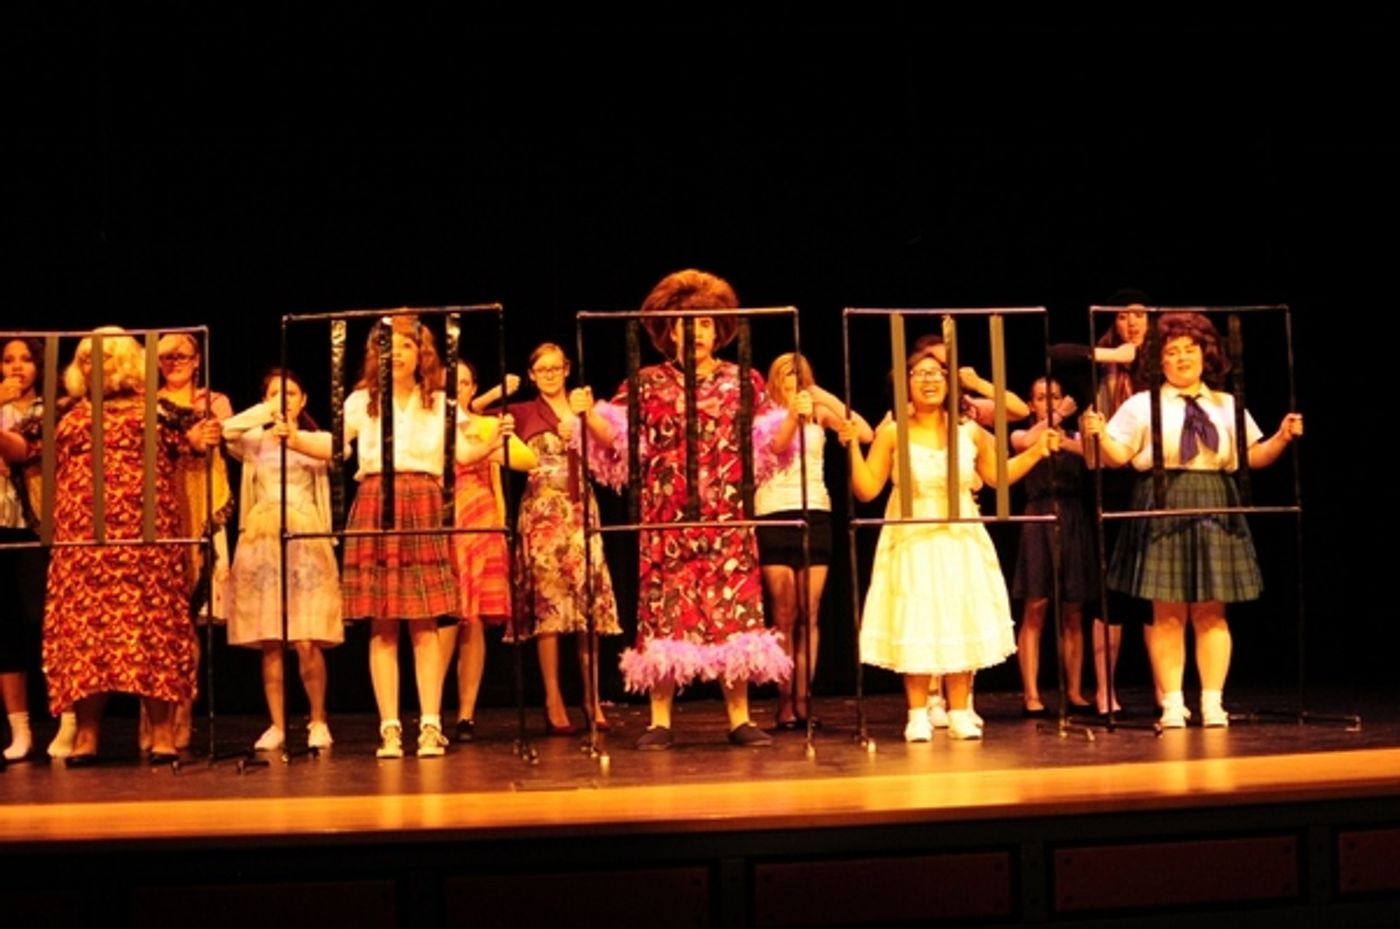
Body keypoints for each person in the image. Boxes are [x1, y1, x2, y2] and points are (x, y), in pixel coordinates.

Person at [577, 269, 798, 750]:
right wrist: (586, 414)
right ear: (669, 330)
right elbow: (615, 442)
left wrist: (795, 416)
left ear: (718, 329)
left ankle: (739, 717)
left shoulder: (743, 381)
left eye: (704, 323)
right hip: (666, 521)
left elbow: (772, 448)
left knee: (733, 614)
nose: (694, 331)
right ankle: (660, 720)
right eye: (684, 322)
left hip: (727, 520)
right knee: (664, 614)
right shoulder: (647, 382)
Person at [1081, 312, 1301, 728]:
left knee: (1211, 613)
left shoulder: (1226, 404)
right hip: (1162, 499)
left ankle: (1213, 702)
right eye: (1171, 352)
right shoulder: (1142, 405)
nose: (1182, 358)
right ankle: (1172, 703)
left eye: (1190, 350)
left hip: (1216, 498)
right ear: (1158, 362)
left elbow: (1252, 458)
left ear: (1205, 355)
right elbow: (1117, 458)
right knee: (1167, 614)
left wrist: (1281, 438)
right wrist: (1099, 434)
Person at [845, 345, 1060, 741]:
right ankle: (917, 713)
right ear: (906, 385)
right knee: (918, 616)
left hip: (960, 534)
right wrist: (851, 448)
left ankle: (960, 710)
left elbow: (997, 476)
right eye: (920, 374)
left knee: (960, 613)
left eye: (937, 374)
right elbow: (866, 489)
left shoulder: (970, 430)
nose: (929, 380)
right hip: (912, 535)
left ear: (949, 383)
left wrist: (1037, 451)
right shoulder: (894, 432)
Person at [43, 328, 205, 764]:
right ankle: (86, 736)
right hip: (84, 543)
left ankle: (163, 733)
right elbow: (28, 448)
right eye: (86, 359)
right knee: (85, 638)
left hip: (144, 541)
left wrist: (198, 439)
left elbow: (193, 441)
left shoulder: (159, 410)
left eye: (104, 357)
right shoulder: (66, 412)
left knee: (152, 631)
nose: (94, 365)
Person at [341, 315, 459, 758]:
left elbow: (462, 449)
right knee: (382, 622)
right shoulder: (361, 402)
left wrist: (493, 438)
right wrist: (291, 436)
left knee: (424, 622)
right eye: (387, 347)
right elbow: (336, 446)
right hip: (376, 498)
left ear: (419, 353)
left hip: (422, 499)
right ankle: (389, 728)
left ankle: (430, 725)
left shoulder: (440, 403)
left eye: (406, 346)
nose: (398, 354)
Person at [223, 369, 343, 753]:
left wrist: (294, 436)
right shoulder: (255, 441)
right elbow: (226, 430)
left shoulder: (315, 438)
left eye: (290, 393)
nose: (283, 399)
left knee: (306, 637)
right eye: (275, 393)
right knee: (271, 639)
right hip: (263, 535)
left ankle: (318, 719)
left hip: (305, 531)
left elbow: (336, 449)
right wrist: (264, 412)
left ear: (303, 399)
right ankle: (276, 723)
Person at [755, 352, 871, 729]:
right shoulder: (762, 413)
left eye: (799, 374)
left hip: (816, 511)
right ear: (774, 379)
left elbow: (864, 432)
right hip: (774, 512)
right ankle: (783, 699)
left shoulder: (818, 411)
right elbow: (774, 447)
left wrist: (819, 393)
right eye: (786, 374)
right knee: (783, 612)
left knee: (811, 611)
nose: (792, 379)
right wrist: (793, 413)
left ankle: (804, 698)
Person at [511, 343, 621, 735]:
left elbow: (612, 444)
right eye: (542, 369)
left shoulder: (583, 405)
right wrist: (497, 395)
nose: (550, 374)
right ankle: (553, 697)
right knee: (550, 607)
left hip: (579, 511)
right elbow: (471, 421)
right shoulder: (522, 412)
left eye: (556, 367)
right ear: (531, 375)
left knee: (586, 605)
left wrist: (584, 418)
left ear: (567, 369)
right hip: (542, 513)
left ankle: (592, 697)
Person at [436, 360, 536, 742]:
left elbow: (528, 459)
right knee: (446, 620)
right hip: (444, 523)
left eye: (463, 382)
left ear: (471, 386)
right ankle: (434, 710)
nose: (456, 388)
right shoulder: (435, 425)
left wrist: (492, 448)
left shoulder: (484, 425)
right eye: (450, 383)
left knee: (473, 621)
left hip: (480, 522)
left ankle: (465, 714)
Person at [154, 331, 234, 749]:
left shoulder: (212, 401)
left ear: (197, 358)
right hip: (158, 511)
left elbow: (219, 436)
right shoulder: (145, 404)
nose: (174, 361)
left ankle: (183, 706)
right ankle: (154, 715)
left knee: (187, 620)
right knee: (154, 620)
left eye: (181, 354)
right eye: (165, 355)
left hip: (197, 510)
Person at [1010, 377, 1096, 716]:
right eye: (1042, 398)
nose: (1049, 402)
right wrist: (1058, 416)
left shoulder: (1075, 436)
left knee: (1074, 609)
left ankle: (1075, 691)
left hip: (1073, 516)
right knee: (1036, 606)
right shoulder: (1023, 434)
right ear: (1031, 404)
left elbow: (1096, 458)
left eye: (1056, 396)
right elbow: (1026, 443)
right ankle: (1031, 694)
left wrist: (1067, 437)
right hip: (1038, 516)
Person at [0, 338, 47, 761]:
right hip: (0, 523)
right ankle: (21, 729)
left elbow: (21, 450)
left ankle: (68, 723)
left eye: (26, 359)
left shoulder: (50, 410)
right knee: (6, 627)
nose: (17, 367)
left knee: (44, 619)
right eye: (8, 360)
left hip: (37, 526)